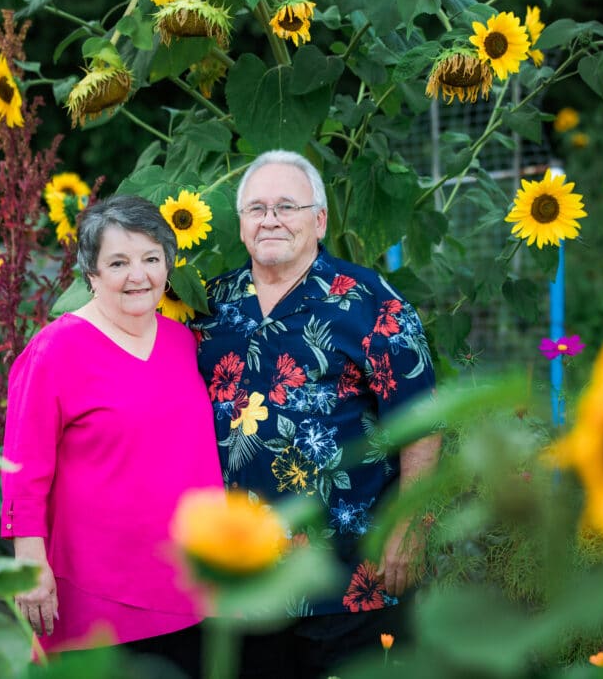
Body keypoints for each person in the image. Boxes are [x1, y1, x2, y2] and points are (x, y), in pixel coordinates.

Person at [189, 150, 441, 678]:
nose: (271, 219)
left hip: (352, 578)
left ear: (319, 219)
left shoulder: (371, 301)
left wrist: (412, 523)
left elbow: (420, 417)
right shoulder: (210, 310)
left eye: (287, 205)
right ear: (240, 225)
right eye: (257, 208)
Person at [0, 194, 223, 674]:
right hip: (94, 595)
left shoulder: (184, 342)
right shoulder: (55, 351)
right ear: (92, 273)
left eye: (150, 258)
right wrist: (30, 565)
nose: (137, 275)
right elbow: (23, 468)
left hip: (190, 586)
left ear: (167, 265)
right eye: (118, 262)